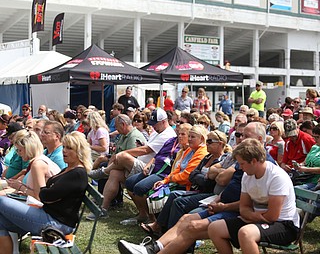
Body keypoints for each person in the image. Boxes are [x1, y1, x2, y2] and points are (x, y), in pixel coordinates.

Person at [117, 122, 276, 254]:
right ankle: (152, 248)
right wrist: (215, 183)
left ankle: (157, 247)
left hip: (228, 207)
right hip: (218, 200)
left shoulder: (257, 166)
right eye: (239, 135)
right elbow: (199, 175)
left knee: (185, 213)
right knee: (185, 216)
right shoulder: (238, 162)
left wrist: (219, 197)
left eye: (245, 136)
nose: (240, 139)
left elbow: (219, 182)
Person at [0, 131, 91, 254]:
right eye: (64, 147)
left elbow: (46, 196)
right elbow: (47, 192)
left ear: (80, 151)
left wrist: (32, 190)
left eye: (70, 148)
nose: (64, 151)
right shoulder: (69, 169)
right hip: (47, 215)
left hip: (56, 224)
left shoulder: (77, 173)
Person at [208, 138, 299, 254]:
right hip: (258, 220)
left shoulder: (277, 177)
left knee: (246, 233)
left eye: (242, 164)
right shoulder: (247, 176)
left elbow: (272, 216)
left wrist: (250, 215)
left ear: (254, 161)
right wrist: (253, 215)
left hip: (284, 225)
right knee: (214, 228)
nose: (240, 168)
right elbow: (244, 207)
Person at [89, 108, 176, 218]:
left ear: (163, 121)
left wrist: (123, 153)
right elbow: (145, 149)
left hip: (151, 169)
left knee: (123, 156)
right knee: (115, 173)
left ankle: (104, 172)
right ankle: (103, 209)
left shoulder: (167, 134)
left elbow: (146, 150)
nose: (153, 126)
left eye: (155, 124)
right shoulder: (158, 132)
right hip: (144, 164)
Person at [6, 130, 61, 200]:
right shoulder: (38, 161)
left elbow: (39, 196)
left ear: (28, 148)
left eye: (20, 150)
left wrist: (20, 187)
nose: (18, 154)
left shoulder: (38, 164)